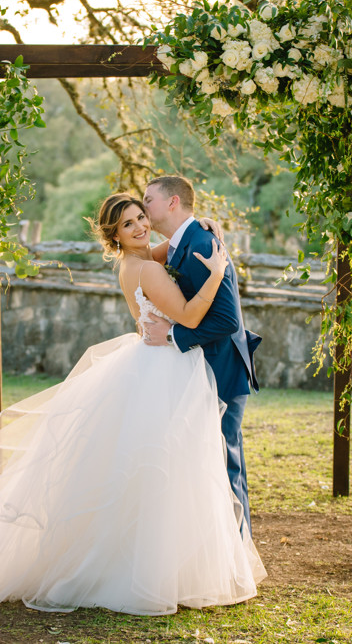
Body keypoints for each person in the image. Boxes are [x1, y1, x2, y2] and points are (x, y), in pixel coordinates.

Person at [0, 192, 266, 615]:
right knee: (161, 469)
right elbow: (191, 317)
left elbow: (175, 243)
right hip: (161, 370)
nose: (141, 226)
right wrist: (218, 273)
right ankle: (142, 571)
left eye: (142, 216)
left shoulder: (141, 258)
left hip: (152, 367)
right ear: (116, 235)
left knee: (152, 470)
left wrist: (207, 226)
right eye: (128, 224)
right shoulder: (144, 267)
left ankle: (164, 563)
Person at [140, 176, 261, 534]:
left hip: (222, 368)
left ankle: (240, 553)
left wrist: (174, 335)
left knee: (226, 462)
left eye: (149, 200)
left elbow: (227, 320)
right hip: (200, 369)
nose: (144, 207)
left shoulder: (203, 242)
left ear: (173, 202)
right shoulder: (179, 243)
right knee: (203, 462)